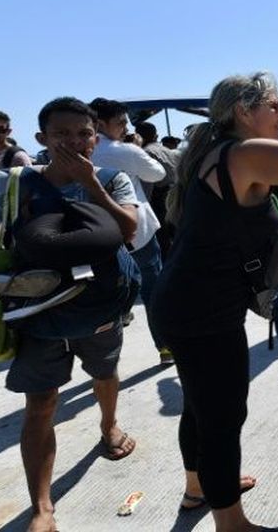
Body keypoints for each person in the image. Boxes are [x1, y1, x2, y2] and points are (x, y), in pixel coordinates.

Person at [151, 72, 278, 531]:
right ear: (243, 111)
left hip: (185, 304)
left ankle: (200, 487)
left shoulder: (216, 152)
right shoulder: (242, 153)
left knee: (200, 405)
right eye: (274, 106)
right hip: (204, 313)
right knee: (222, 415)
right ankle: (231, 523)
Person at [0, 97, 141, 532]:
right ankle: (42, 507)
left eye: (84, 134)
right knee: (40, 403)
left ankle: (109, 426)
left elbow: (129, 230)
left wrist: (91, 185)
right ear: (41, 139)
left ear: (96, 139)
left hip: (99, 308)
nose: (75, 143)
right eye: (62, 135)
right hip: (39, 315)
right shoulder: (13, 184)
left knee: (105, 372)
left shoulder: (113, 179)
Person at [88, 98, 170, 361]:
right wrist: (135, 148)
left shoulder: (80, 152)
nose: (126, 127)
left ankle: (104, 361)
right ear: (101, 124)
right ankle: (165, 346)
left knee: (107, 295)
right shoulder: (125, 151)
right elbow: (157, 174)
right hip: (138, 232)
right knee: (153, 290)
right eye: (121, 122)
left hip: (98, 234)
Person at [134, 120, 181, 259]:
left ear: (138, 136)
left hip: (160, 198)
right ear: (156, 135)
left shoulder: (146, 153)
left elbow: (147, 186)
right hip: (176, 194)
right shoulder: (168, 150)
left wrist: (143, 207)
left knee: (162, 238)